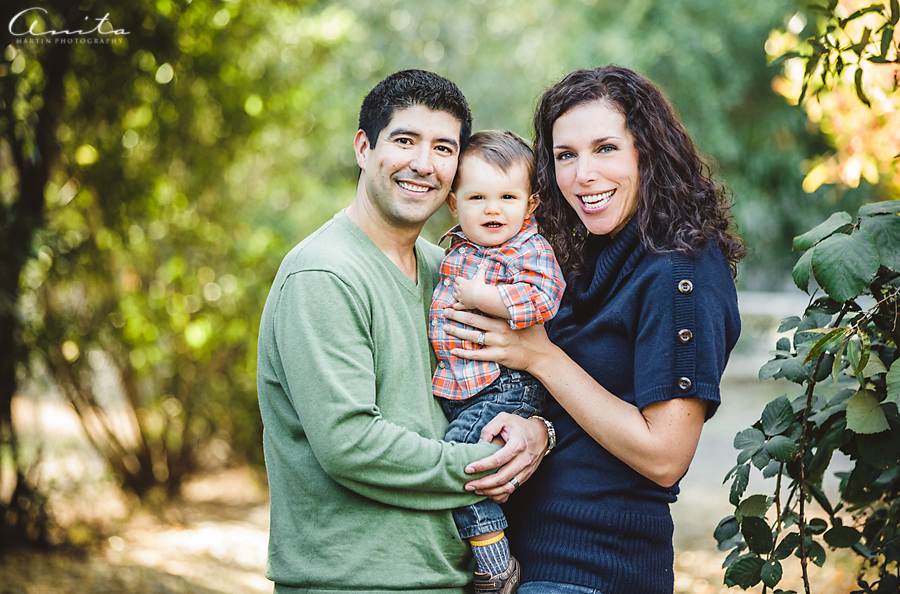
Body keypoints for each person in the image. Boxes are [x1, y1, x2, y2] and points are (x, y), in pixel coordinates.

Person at [441, 65, 745, 594]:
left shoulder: (680, 272)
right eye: (565, 155)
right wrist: (541, 431)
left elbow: (664, 456)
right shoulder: (584, 257)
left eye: (605, 148)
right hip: (524, 562)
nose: (583, 175)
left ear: (647, 153)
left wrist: (539, 356)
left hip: (595, 569)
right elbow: (587, 411)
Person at [256, 69, 551, 594]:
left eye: (443, 147)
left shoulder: (453, 271)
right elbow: (350, 445)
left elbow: (511, 377)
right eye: (405, 140)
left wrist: (537, 434)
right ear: (364, 148)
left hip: (451, 576)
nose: (423, 163)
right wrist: (489, 464)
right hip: (355, 580)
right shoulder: (324, 274)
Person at [429, 130, 566, 590]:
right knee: (464, 461)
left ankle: (496, 565)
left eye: (508, 196)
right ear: (454, 204)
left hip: (504, 386)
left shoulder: (527, 247)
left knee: (460, 464)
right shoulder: (455, 250)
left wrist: (486, 297)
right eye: (478, 197)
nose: (493, 209)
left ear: (530, 206)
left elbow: (545, 297)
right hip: (465, 388)